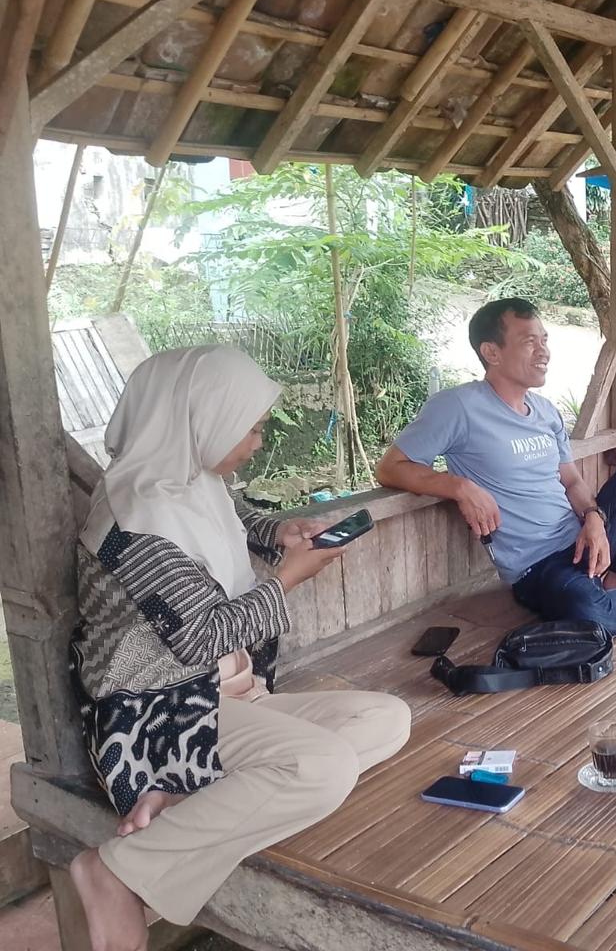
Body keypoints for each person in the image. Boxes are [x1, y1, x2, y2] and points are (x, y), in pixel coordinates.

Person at [68, 346, 411, 951]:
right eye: (249, 428)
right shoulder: (134, 521)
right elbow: (200, 636)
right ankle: (115, 871)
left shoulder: (188, 480)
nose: (257, 442)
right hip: (157, 715)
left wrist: (279, 531)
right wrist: (285, 581)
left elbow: (234, 516)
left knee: (386, 717)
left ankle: (187, 801)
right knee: (323, 767)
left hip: (227, 695)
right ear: (201, 419)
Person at [376, 298, 616, 636]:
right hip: (539, 567)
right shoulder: (458, 407)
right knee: (591, 615)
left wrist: (593, 519)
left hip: (582, 537)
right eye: (529, 341)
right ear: (491, 352)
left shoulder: (546, 412)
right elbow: (391, 468)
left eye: (544, 339)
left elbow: (572, 482)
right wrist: (459, 487)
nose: (543, 351)